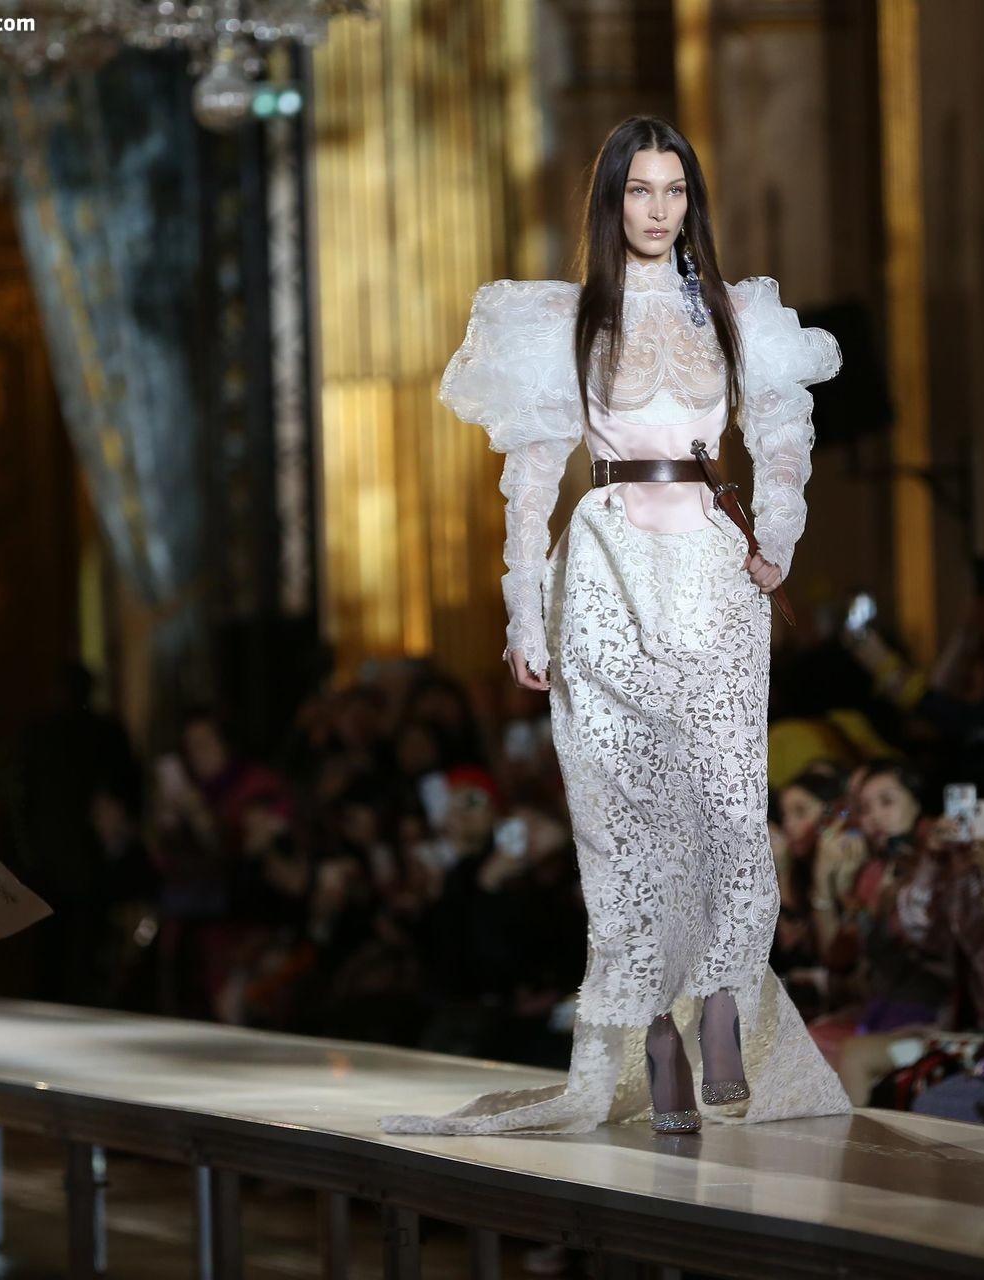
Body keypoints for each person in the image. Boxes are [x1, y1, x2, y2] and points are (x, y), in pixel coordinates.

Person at [380, 116, 848, 1137]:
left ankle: (720, 1000)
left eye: (674, 190)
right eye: (640, 190)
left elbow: (782, 434)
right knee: (627, 822)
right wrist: (523, 613)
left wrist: (777, 537)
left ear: (693, 201)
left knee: (730, 807)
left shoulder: (738, 313)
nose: (658, 208)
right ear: (612, 200)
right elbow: (529, 480)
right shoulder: (565, 319)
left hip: (712, 573)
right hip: (602, 567)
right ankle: (659, 1041)